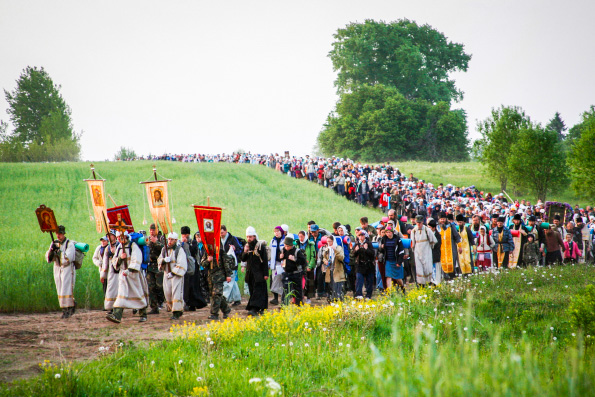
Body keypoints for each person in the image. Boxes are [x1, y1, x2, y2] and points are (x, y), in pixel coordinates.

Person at [106, 231, 149, 324]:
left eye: (119, 237)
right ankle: (117, 315)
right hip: (123, 275)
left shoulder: (133, 246)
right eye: (117, 238)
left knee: (138, 294)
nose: (118, 239)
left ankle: (143, 314)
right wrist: (121, 258)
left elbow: (137, 260)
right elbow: (114, 261)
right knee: (121, 295)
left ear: (125, 236)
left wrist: (129, 270)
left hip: (133, 275)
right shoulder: (119, 247)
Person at [45, 225, 77, 319]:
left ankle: (68, 309)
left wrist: (60, 253)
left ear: (63, 234)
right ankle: (65, 309)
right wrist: (52, 251)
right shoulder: (54, 243)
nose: (58, 236)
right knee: (59, 288)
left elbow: (69, 258)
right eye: (57, 234)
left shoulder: (69, 244)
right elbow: (49, 258)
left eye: (60, 234)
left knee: (66, 289)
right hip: (57, 268)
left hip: (67, 269)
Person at [157, 232, 187, 320]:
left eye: (172, 240)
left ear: (175, 240)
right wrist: (163, 260)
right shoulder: (164, 249)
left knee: (176, 294)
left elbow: (181, 263)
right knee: (168, 293)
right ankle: (174, 309)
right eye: (169, 239)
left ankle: (176, 312)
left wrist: (173, 273)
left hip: (176, 276)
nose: (169, 241)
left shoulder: (179, 250)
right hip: (167, 275)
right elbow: (159, 260)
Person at [241, 227, 269, 316]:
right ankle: (259, 308)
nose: (249, 239)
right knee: (253, 291)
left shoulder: (260, 247)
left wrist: (265, 274)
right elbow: (243, 259)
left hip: (259, 274)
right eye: (247, 237)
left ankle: (254, 309)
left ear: (254, 236)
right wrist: (245, 251)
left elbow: (264, 261)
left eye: (250, 237)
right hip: (250, 274)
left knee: (258, 292)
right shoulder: (247, 246)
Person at [201, 246, 233, 320]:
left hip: (219, 276)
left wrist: (228, 275)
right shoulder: (207, 252)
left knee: (216, 294)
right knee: (216, 294)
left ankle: (214, 313)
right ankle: (226, 309)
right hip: (210, 277)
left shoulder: (221, 251)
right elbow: (203, 264)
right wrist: (208, 260)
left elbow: (226, 264)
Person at [410, 215, 437, 286]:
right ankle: (421, 285)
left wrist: (429, 248)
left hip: (426, 252)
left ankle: (429, 283)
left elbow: (433, 241)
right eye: (417, 222)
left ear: (422, 222)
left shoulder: (427, 230)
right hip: (418, 253)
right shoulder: (413, 231)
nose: (418, 224)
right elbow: (412, 244)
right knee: (419, 269)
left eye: (420, 222)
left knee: (427, 269)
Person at [379, 227, 406, 294]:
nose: (388, 234)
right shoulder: (384, 239)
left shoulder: (397, 239)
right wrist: (381, 248)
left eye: (389, 232)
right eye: (387, 232)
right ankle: (389, 293)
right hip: (388, 261)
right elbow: (381, 251)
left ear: (392, 232)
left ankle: (402, 288)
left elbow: (401, 251)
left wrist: (399, 262)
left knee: (398, 278)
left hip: (396, 261)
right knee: (388, 276)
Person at [280, 235, 306, 305]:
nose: (286, 248)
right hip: (286, 272)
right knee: (285, 289)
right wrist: (280, 257)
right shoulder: (283, 250)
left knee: (298, 290)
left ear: (291, 245)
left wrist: (295, 259)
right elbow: (280, 259)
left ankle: (299, 304)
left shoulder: (297, 251)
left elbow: (303, 262)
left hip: (296, 273)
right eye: (285, 246)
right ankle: (284, 304)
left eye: (288, 246)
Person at [220, 225, 242, 306]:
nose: (221, 234)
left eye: (222, 233)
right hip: (223, 264)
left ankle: (223, 299)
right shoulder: (218, 239)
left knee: (228, 282)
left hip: (232, 264)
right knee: (233, 282)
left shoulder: (232, 239)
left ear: (226, 231)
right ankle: (237, 299)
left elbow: (239, 249)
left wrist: (234, 248)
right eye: (220, 233)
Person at [146, 223, 164, 314]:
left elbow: (164, 249)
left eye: (153, 230)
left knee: (159, 286)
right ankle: (154, 307)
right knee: (151, 287)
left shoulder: (161, 238)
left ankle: (161, 301)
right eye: (151, 230)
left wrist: (155, 242)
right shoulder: (148, 239)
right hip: (150, 266)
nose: (152, 232)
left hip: (159, 266)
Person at [437, 212, 462, 279]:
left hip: (451, 248)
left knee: (452, 262)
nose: (442, 220)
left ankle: (452, 276)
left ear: (446, 219)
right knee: (442, 263)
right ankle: (445, 277)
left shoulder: (451, 226)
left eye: (443, 219)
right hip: (441, 249)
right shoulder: (438, 227)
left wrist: (459, 246)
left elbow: (457, 236)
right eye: (441, 219)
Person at [352, 230, 375, 299]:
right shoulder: (356, 244)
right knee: (359, 279)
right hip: (360, 264)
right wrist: (356, 250)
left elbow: (372, 254)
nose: (361, 237)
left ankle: (368, 295)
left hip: (368, 264)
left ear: (364, 236)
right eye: (359, 236)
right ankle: (359, 294)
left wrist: (367, 249)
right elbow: (353, 255)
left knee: (369, 281)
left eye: (362, 235)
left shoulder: (368, 243)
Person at [322, 236, 346, 301]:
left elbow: (341, 257)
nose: (328, 243)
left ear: (333, 241)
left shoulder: (339, 248)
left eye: (330, 241)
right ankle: (331, 300)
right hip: (330, 270)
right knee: (331, 286)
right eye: (327, 241)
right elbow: (323, 257)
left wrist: (335, 250)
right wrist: (325, 261)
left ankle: (339, 300)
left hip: (337, 270)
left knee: (338, 286)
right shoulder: (327, 249)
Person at [297, 230, 316, 303]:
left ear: (305, 236)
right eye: (299, 237)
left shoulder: (310, 245)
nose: (300, 238)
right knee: (301, 282)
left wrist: (310, 266)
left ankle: (308, 297)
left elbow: (313, 256)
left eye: (302, 236)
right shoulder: (297, 244)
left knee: (309, 283)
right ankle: (301, 297)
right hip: (300, 266)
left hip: (308, 266)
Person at [269, 226, 285, 305]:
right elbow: (270, 253)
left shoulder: (284, 240)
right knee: (274, 279)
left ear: (281, 232)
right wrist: (269, 263)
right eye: (275, 231)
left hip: (282, 264)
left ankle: (283, 297)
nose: (276, 233)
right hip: (274, 264)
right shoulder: (272, 241)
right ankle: (275, 298)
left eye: (278, 231)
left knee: (282, 280)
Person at [427, 219, 443, 285]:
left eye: (430, 227)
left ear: (434, 228)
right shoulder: (426, 235)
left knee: (436, 274)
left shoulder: (438, 236)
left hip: (435, 257)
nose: (428, 229)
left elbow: (436, 245)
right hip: (428, 258)